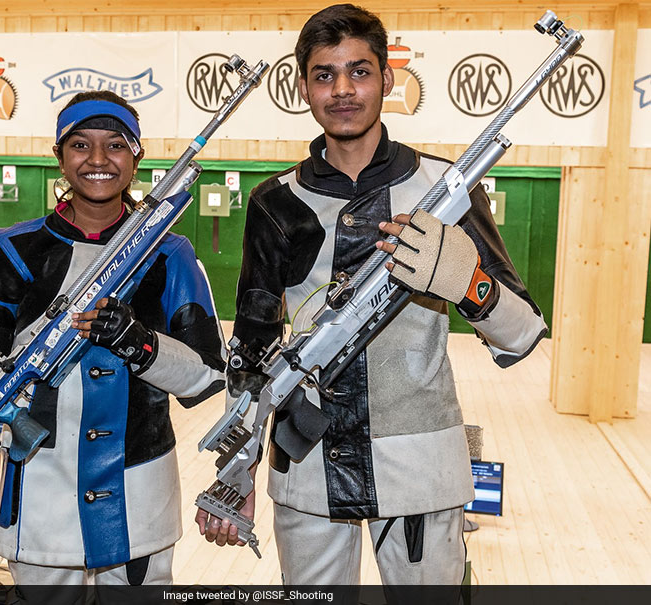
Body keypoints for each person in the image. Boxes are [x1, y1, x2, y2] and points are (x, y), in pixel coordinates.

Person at [196, 3, 547, 585]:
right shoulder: (274, 202)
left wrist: (469, 285)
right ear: (303, 86)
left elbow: (523, 333)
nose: (343, 90)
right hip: (304, 464)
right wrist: (240, 468)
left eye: (359, 72)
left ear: (388, 79)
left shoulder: (446, 189)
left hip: (418, 471)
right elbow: (252, 352)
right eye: (324, 74)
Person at [0, 90, 226, 587]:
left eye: (115, 145)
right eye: (80, 145)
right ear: (59, 156)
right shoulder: (11, 250)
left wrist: (139, 343)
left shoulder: (171, 254)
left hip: (138, 492)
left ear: (137, 157)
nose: (98, 160)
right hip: (37, 499)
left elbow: (206, 376)